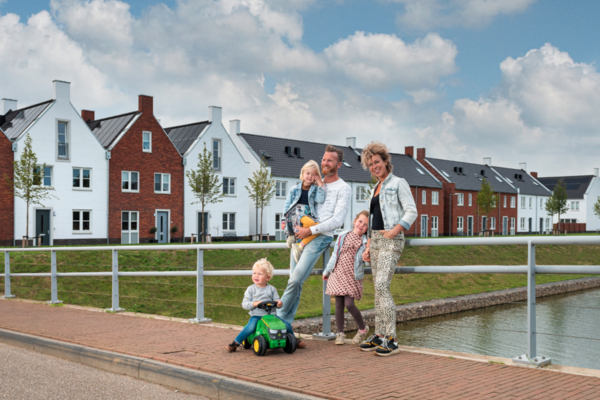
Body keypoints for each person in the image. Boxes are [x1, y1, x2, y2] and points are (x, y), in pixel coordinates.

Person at [277, 145, 352, 349]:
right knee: (296, 283)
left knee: (295, 279)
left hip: (320, 237)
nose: (325, 163)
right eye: (324, 159)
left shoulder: (343, 188)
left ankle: (276, 318)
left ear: (338, 164)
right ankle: (285, 329)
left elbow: (338, 220)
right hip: (300, 235)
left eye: (330, 160)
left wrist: (311, 231)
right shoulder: (314, 183)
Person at [359, 142, 417, 357]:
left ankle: (391, 339)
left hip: (391, 241)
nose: (374, 166)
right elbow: (373, 219)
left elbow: (412, 211)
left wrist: (395, 231)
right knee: (378, 290)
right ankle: (379, 334)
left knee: (382, 286)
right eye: (370, 164)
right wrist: (367, 245)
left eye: (377, 162)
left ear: (385, 161)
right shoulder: (375, 188)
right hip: (375, 241)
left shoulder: (399, 183)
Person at [225, 258, 294, 352]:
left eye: (260, 274)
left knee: (286, 325)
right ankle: (235, 343)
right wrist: (254, 303)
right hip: (257, 316)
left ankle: (294, 340)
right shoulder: (251, 289)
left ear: (267, 277)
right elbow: (244, 304)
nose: (256, 276)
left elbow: (277, 301)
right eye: (254, 273)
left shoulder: (272, 289)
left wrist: (279, 303)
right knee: (250, 327)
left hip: (271, 317)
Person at [323, 210, 370, 345]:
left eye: (365, 225)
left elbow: (366, 261)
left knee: (349, 304)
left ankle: (362, 329)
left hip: (352, 276)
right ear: (355, 221)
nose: (361, 225)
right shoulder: (343, 236)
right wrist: (327, 271)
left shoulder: (365, 241)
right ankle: (340, 333)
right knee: (338, 305)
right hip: (338, 273)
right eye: (360, 221)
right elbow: (334, 255)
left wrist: (368, 255)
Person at [282, 160, 325, 263]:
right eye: (308, 173)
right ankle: (292, 237)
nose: (310, 176)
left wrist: (320, 186)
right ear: (302, 173)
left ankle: (299, 245)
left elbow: (320, 200)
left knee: (318, 228)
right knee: (314, 227)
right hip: (295, 215)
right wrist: (283, 220)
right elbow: (287, 205)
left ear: (317, 176)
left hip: (307, 216)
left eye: (313, 174)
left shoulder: (315, 190)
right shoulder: (294, 189)